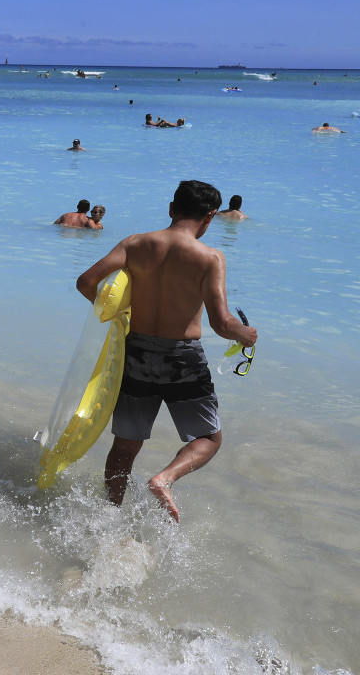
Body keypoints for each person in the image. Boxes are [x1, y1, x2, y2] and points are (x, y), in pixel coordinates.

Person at [76, 180, 257, 522]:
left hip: (137, 351)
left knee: (126, 444)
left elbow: (86, 282)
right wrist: (246, 335)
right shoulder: (210, 257)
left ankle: (110, 517)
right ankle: (165, 478)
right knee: (208, 438)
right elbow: (221, 324)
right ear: (211, 217)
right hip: (183, 357)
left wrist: (118, 315)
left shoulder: (134, 244)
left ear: (171, 209)